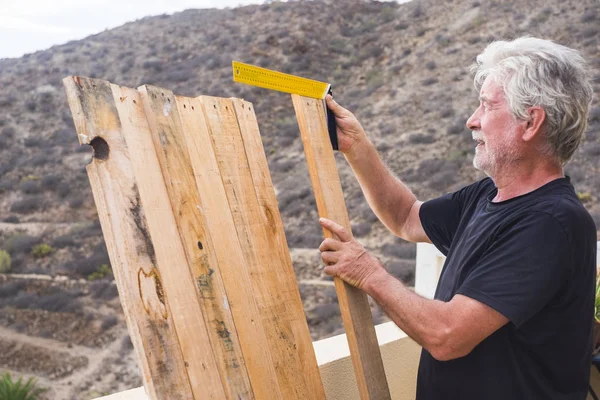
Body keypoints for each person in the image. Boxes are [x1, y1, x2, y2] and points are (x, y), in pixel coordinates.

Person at [319, 37, 597, 399]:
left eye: (486, 106)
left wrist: (368, 272)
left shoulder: (551, 223)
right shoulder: (487, 195)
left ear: (530, 122)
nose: (472, 121)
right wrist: (357, 147)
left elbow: (448, 336)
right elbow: (405, 217)